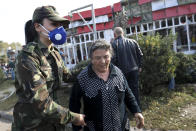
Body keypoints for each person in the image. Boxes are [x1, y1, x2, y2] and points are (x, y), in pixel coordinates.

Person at [12, 5, 86, 131]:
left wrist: (91, 67)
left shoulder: (54, 53)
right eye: (54, 24)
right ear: (37, 27)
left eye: (60, 25)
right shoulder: (27, 58)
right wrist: (74, 118)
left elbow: (67, 75)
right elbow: (40, 103)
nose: (59, 29)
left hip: (53, 124)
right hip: (32, 126)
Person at [69, 39, 144, 131]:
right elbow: (74, 104)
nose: (103, 61)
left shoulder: (118, 72)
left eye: (106, 57)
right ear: (91, 59)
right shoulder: (83, 78)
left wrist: (136, 111)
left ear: (110, 56)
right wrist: (76, 127)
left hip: (121, 127)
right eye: (98, 58)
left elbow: (128, 94)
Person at [111, 27, 143, 106]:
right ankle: (137, 109)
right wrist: (140, 66)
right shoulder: (133, 41)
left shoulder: (114, 44)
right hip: (134, 70)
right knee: (135, 90)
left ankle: (126, 111)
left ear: (114, 34)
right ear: (123, 33)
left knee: (123, 91)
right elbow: (140, 55)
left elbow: (113, 59)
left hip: (122, 72)